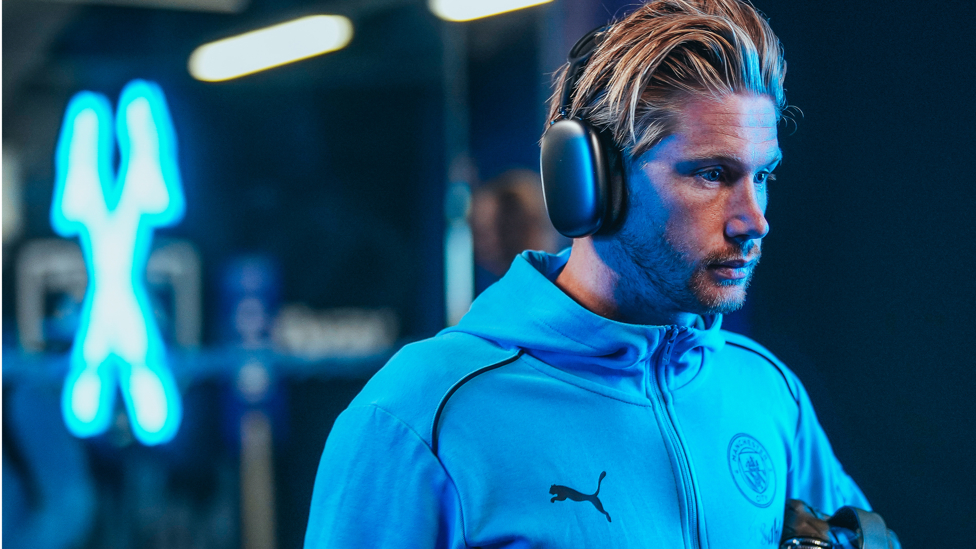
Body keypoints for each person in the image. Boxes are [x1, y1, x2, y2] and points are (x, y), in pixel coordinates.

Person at [305, 1, 876, 547]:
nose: (754, 220)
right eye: (710, 174)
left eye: (762, 176)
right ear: (594, 181)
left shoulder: (768, 393)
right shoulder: (418, 417)